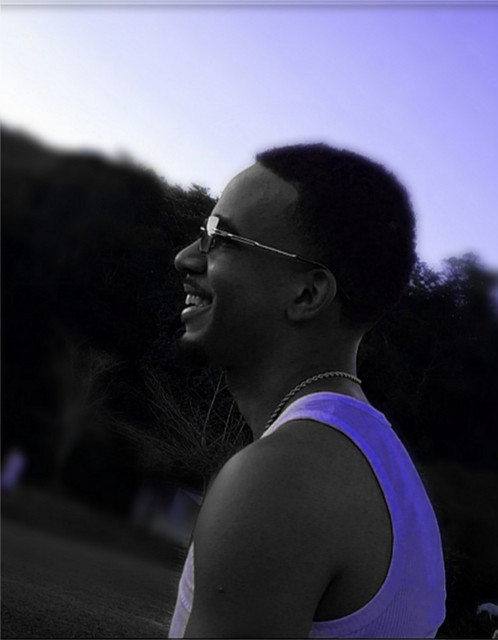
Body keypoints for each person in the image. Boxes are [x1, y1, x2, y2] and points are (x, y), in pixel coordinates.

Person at [169, 143, 446, 638]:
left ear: (307, 293)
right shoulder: (385, 473)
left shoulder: (282, 478)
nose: (186, 257)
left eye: (220, 238)